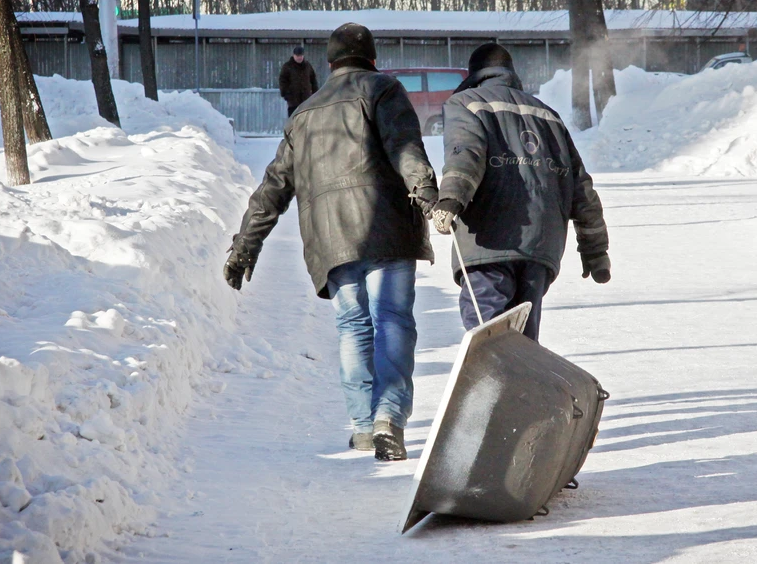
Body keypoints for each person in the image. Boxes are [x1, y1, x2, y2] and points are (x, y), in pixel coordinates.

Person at [224, 23, 438, 461]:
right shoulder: (383, 89)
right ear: (372, 58)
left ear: (329, 62)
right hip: (388, 228)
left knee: (353, 326)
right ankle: (387, 420)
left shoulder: (303, 113)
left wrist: (245, 245)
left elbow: (274, 186)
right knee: (392, 319)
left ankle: (362, 425)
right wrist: (427, 194)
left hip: (330, 240)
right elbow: (405, 147)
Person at [430, 43, 611, 341]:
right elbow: (580, 187)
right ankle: (521, 385)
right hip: (541, 245)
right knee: (522, 339)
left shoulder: (466, 102)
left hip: (489, 241)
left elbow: (466, 153)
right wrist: (596, 251)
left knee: (488, 332)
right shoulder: (548, 115)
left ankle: (497, 382)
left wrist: (450, 199)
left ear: (474, 74)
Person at [278, 45, 319, 118]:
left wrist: (315, 93)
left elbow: (313, 80)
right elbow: (282, 80)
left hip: (306, 100)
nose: (299, 57)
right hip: (293, 101)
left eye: (301, 55)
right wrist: (286, 94)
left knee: (306, 121)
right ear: (293, 55)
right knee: (293, 122)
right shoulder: (287, 66)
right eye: (297, 55)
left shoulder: (307, 66)